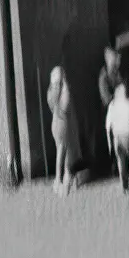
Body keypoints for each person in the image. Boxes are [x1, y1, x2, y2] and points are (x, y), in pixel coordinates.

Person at [106, 72, 129, 197]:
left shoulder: (112, 105)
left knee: (120, 161)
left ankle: (124, 186)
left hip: (116, 137)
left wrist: (109, 143)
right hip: (127, 135)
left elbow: (107, 126)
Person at [45, 65, 80, 195]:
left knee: (61, 150)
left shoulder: (51, 92)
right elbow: (65, 106)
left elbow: (52, 106)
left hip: (55, 123)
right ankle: (60, 179)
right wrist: (66, 86)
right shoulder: (63, 91)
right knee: (63, 150)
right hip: (63, 124)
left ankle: (63, 177)